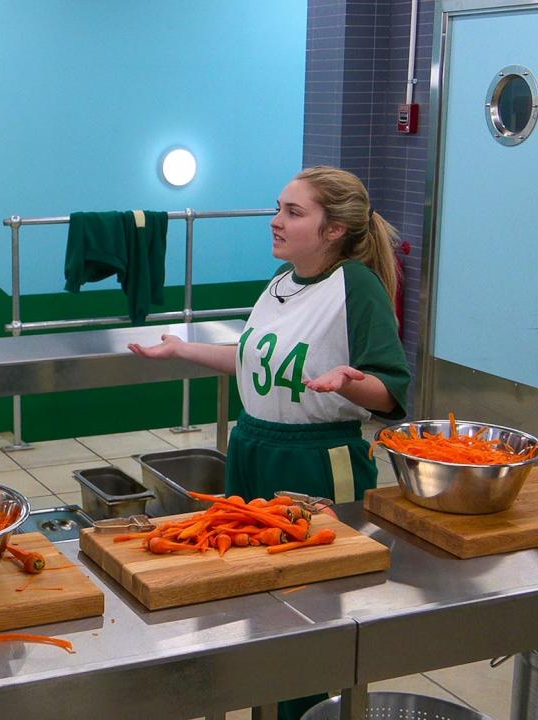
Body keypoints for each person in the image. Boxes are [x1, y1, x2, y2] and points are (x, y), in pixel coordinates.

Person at [128, 166, 410, 719]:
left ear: (333, 231)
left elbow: (390, 389)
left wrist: (353, 381)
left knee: (313, 616)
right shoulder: (282, 282)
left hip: (316, 461)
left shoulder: (355, 286)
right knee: (251, 598)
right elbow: (257, 359)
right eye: (278, 208)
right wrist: (183, 350)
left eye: (293, 212)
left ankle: (314, 711)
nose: (275, 222)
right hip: (253, 449)